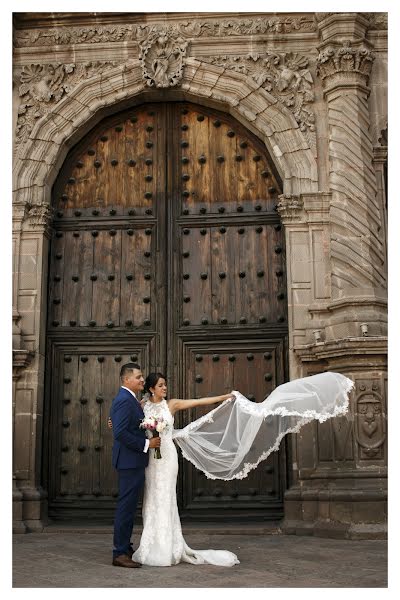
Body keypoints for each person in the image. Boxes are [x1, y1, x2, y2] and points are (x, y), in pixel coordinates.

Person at [109, 371, 239, 567]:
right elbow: (124, 421)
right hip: (150, 457)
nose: (164, 388)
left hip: (167, 457)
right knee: (152, 498)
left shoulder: (172, 404)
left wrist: (223, 397)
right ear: (151, 389)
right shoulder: (141, 405)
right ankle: (150, 545)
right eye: (160, 385)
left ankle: (168, 546)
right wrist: (111, 422)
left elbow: (198, 401)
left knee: (166, 497)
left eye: (165, 385)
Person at [109, 363, 161, 568]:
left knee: (129, 507)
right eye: (138, 377)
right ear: (126, 380)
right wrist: (147, 443)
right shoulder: (124, 400)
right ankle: (119, 552)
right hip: (129, 461)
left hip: (133, 461)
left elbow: (123, 423)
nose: (142, 380)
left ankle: (125, 547)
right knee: (126, 507)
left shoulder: (130, 399)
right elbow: (120, 433)